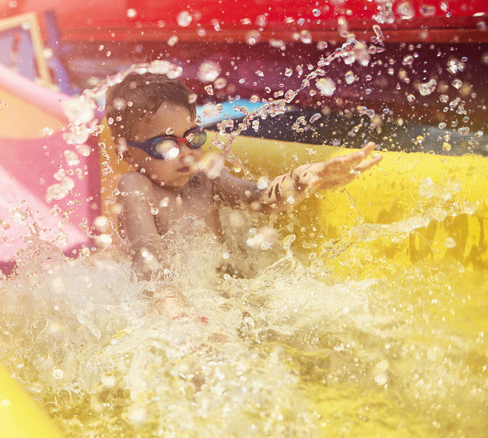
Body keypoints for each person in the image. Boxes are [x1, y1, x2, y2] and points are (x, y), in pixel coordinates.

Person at [105, 72, 382, 315]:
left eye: (192, 138)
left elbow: (260, 198)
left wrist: (304, 177)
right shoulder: (135, 186)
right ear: (127, 152)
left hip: (217, 295)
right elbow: (147, 253)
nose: (187, 153)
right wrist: (172, 304)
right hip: (165, 303)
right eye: (166, 146)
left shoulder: (205, 179)